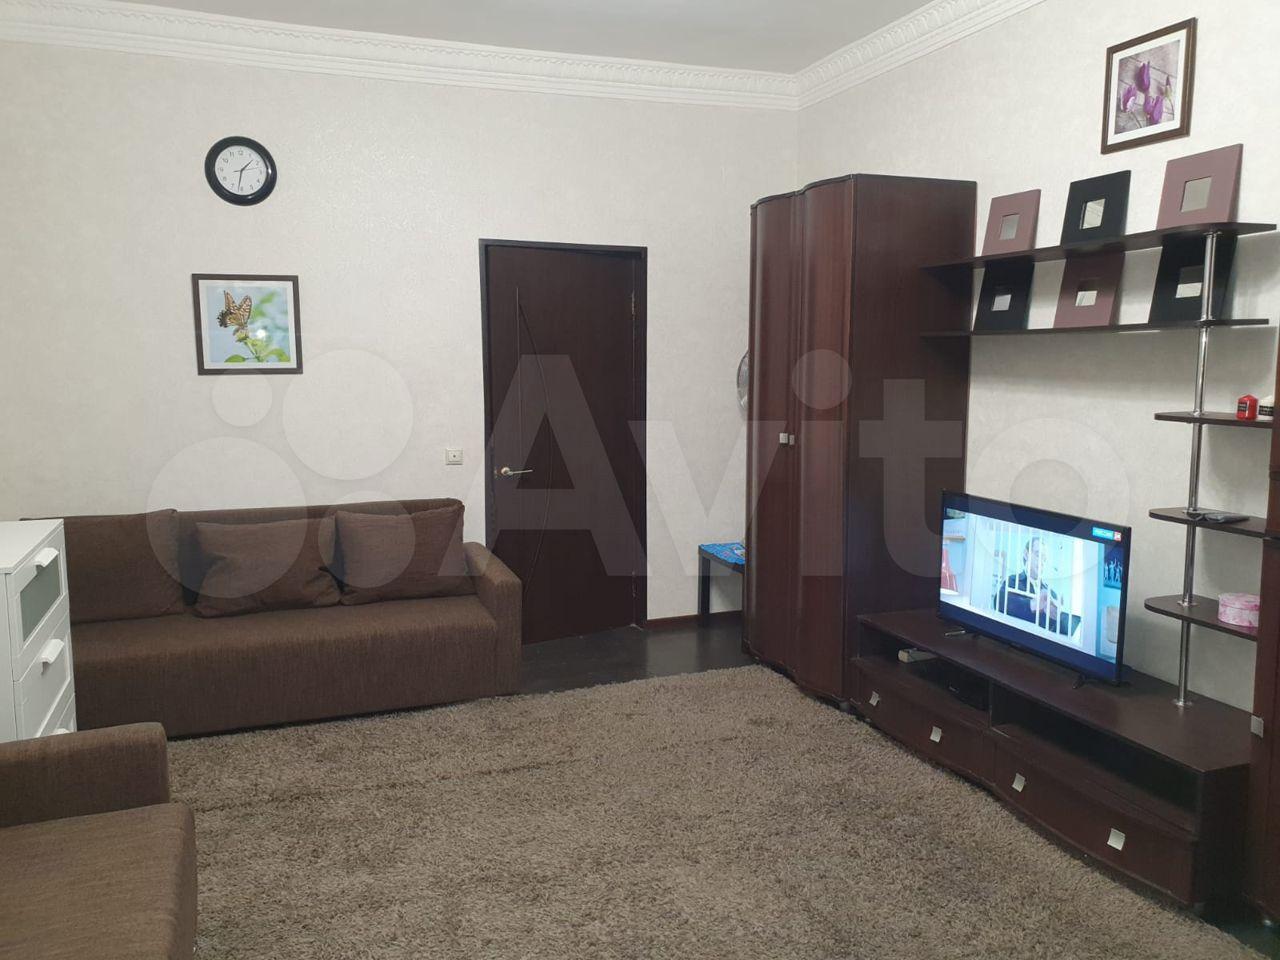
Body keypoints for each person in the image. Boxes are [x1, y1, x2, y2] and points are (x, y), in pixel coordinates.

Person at [996, 537, 1062, 633]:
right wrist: (1032, 604)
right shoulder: (1013, 581)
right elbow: (999, 601)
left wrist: (1057, 617)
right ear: (1026, 554)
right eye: (1038, 555)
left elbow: (1053, 629)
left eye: (1044, 559)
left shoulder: (1051, 594)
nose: (1042, 562)